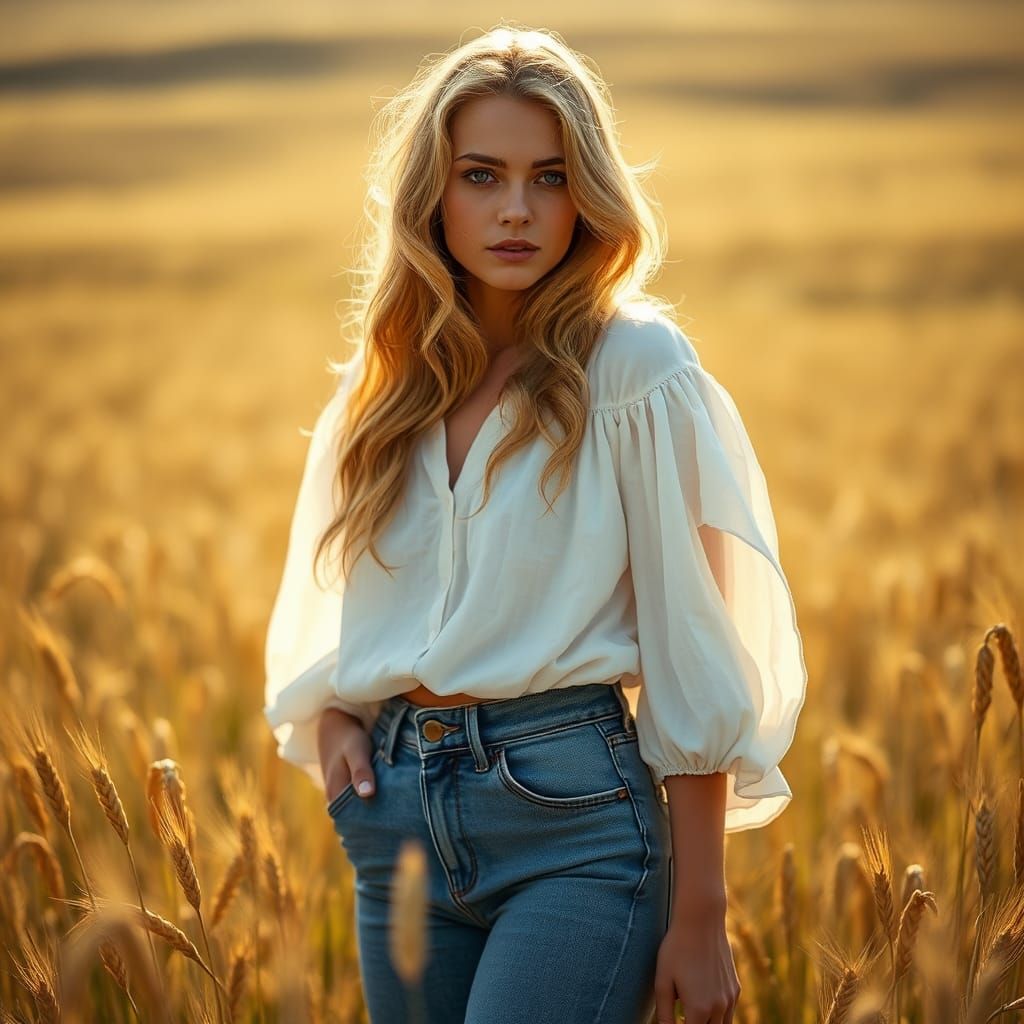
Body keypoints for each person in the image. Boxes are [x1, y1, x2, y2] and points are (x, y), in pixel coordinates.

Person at [263, 22, 807, 1024]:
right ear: (433, 192)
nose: (516, 210)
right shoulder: (385, 385)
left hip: (574, 825)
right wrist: (339, 708)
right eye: (482, 175)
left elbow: (698, 644)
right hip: (401, 829)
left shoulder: (634, 369)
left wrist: (701, 914)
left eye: (549, 178)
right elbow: (335, 590)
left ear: (586, 194)